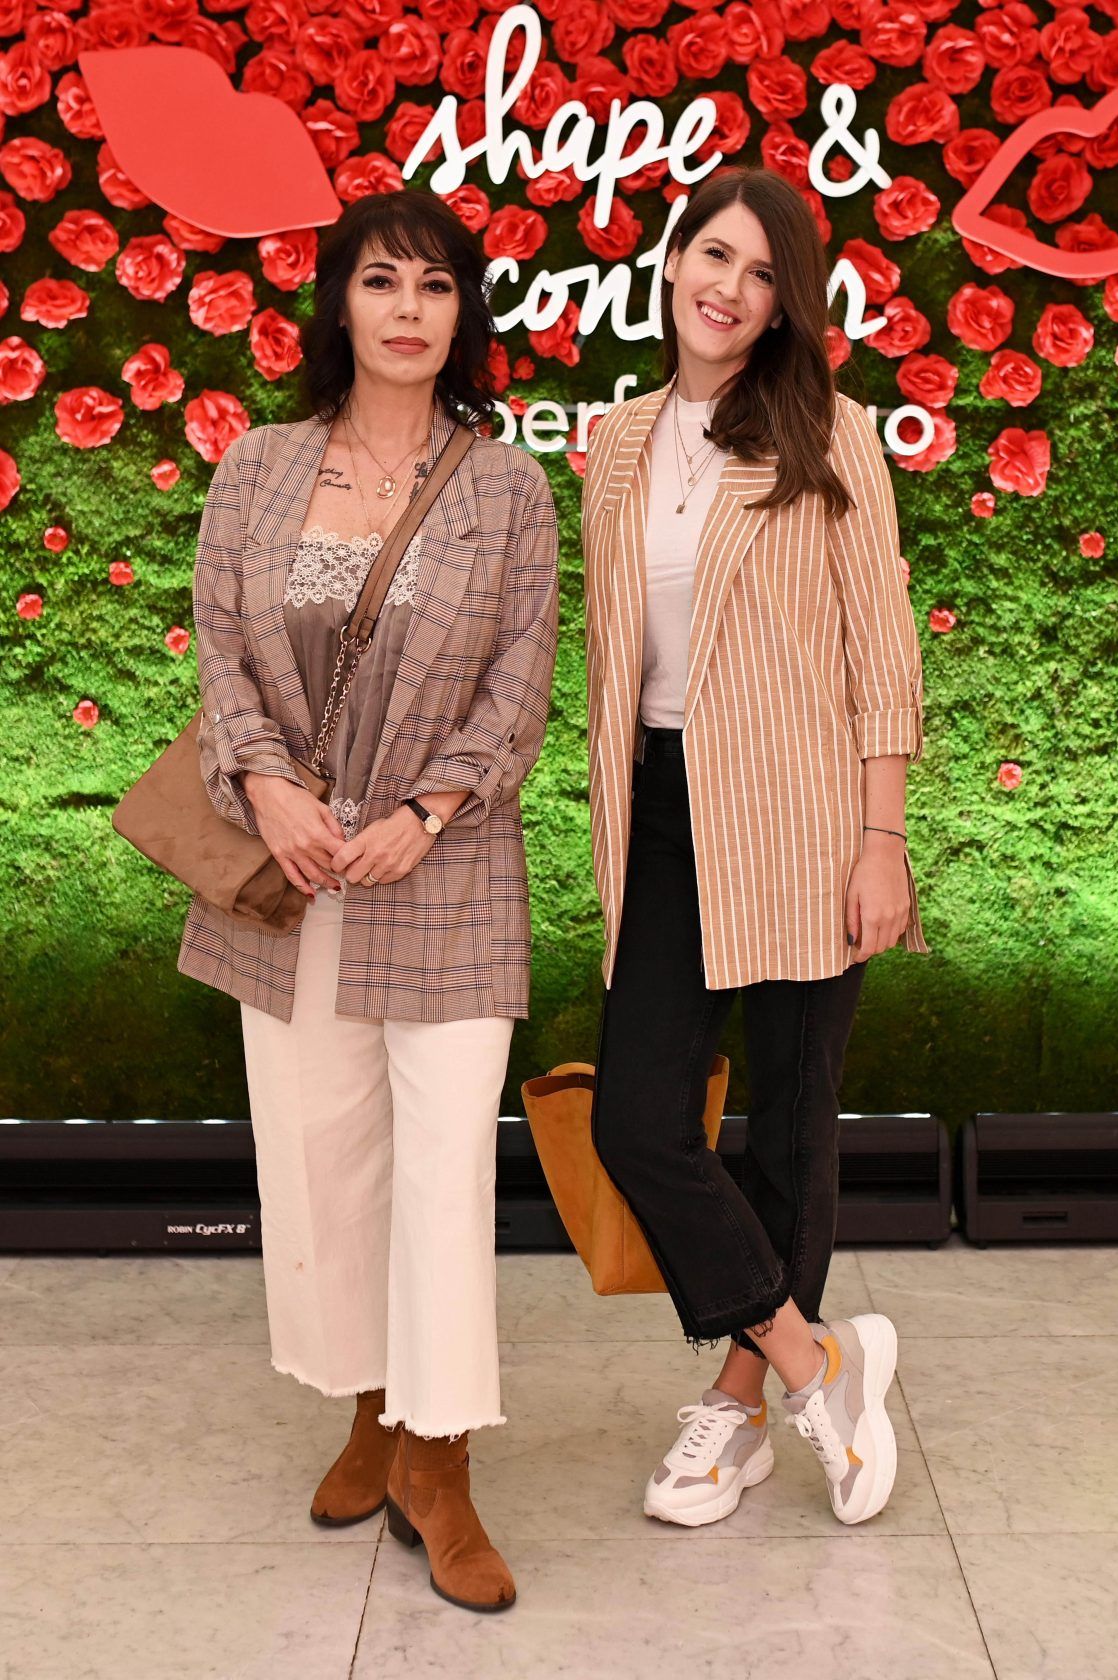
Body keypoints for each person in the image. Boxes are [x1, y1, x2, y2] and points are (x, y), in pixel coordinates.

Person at [178, 189, 559, 1611]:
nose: (409, 309)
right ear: (339, 301)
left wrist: (429, 810)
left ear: (465, 316)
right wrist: (267, 787)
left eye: (437, 286)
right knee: (323, 1161)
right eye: (383, 281)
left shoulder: (505, 487)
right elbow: (221, 648)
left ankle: (440, 1461)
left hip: (443, 873)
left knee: (444, 1167)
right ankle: (370, 1412)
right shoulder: (262, 467)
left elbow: (520, 680)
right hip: (286, 874)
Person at [580, 166, 928, 1531]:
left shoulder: (827, 432)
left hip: (803, 813)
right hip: (661, 808)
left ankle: (735, 1409)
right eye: (714, 256)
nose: (730, 288)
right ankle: (810, 1359)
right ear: (673, 264)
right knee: (636, 1122)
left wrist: (881, 836)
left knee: (787, 1121)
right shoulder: (618, 438)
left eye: (764, 273)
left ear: (787, 305)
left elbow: (879, 647)